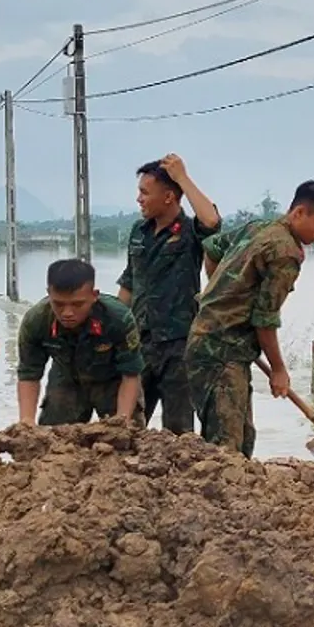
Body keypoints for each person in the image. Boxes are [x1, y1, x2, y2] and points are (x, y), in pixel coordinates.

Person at [186, 181, 314, 456]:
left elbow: (212, 249)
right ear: (299, 212)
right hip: (220, 352)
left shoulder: (257, 227)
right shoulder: (286, 253)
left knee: (243, 438)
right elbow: (265, 320)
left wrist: (220, 293)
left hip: (217, 348)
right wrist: (279, 370)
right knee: (225, 445)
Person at [117, 154, 221, 433]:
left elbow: (211, 220)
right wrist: (114, 327)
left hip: (179, 345)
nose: (138, 199)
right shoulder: (138, 232)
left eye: (144, 192)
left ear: (168, 197)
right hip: (139, 342)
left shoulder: (190, 232)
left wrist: (182, 178)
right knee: (129, 425)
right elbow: (129, 282)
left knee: (178, 429)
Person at [17, 259, 145, 425]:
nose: (67, 313)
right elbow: (28, 374)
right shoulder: (36, 320)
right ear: (49, 294)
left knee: (127, 436)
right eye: (59, 304)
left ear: (94, 296)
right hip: (67, 377)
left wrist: (123, 420)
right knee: (50, 438)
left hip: (113, 380)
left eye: (77, 304)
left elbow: (131, 374)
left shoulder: (118, 318)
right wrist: (26, 421)